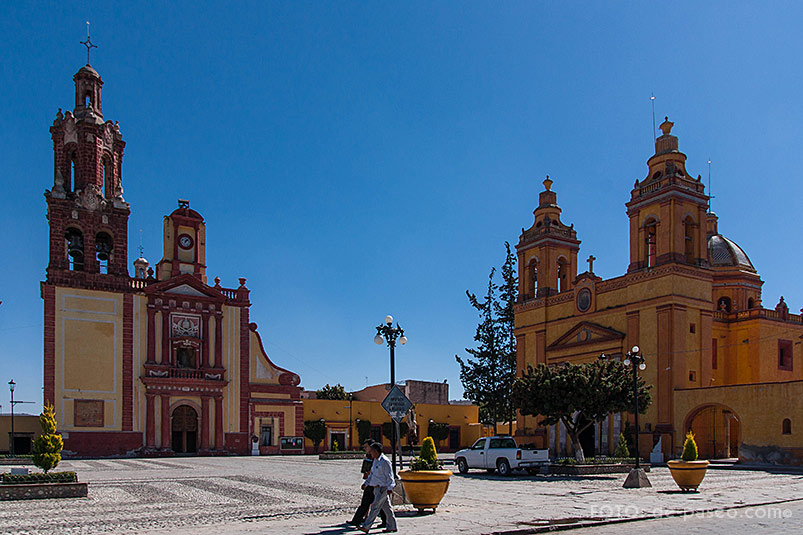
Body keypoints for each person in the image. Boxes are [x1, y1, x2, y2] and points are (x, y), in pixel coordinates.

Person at [359, 442, 397, 533]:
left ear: (376, 451)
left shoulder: (385, 461)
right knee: (387, 508)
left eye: (371, 451)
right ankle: (392, 526)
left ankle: (366, 526)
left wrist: (390, 488)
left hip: (383, 488)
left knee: (375, 507)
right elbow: (372, 475)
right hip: (376, 488)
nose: (370, 453)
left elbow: (389, 476)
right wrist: (366, 483)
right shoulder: (376, 460)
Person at [348, 440, 387, 528]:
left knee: (376, 504)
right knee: (376, 504)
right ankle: (358, 521)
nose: (365, 449)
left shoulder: (378, 458)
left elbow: (380, 473)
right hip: (371, 483)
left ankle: (359, 522)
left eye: (366, 447)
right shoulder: (370, 456)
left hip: (376, 484)